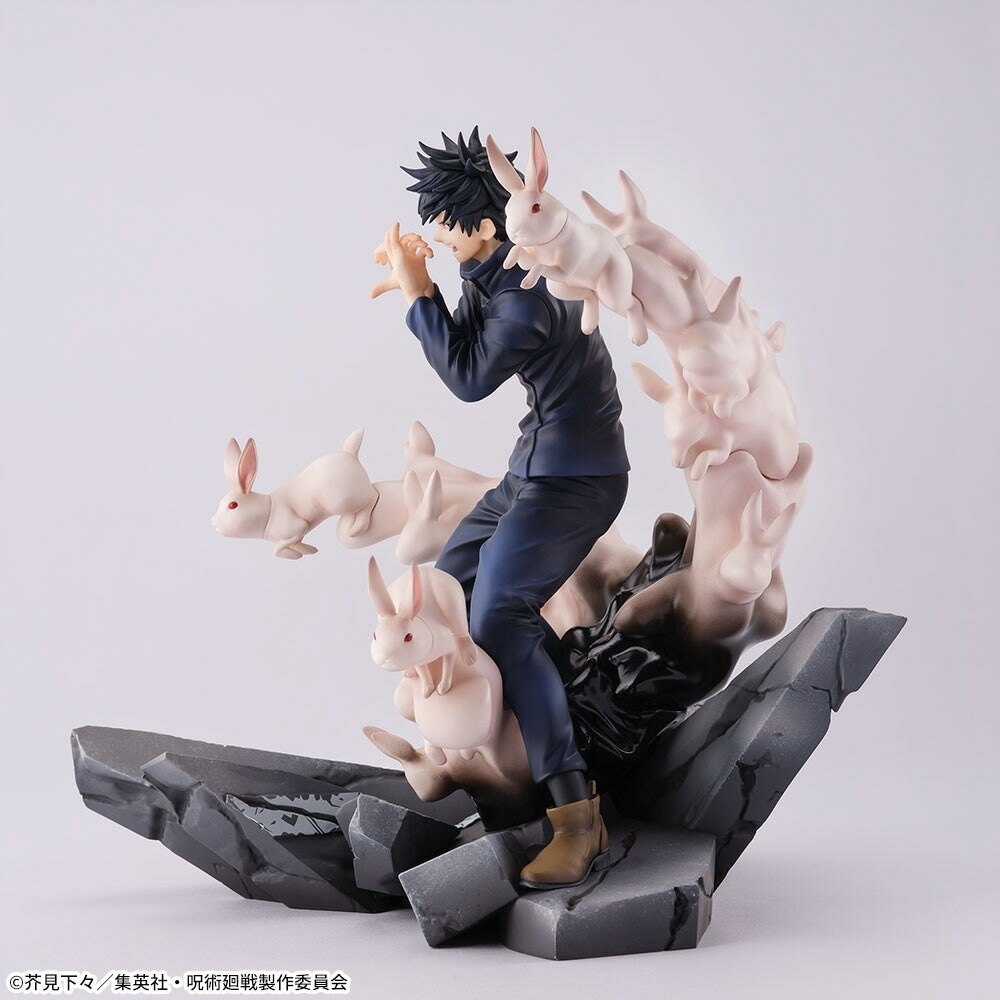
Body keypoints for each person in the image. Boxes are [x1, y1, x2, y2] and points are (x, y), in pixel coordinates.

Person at [371, 127, 630, 889]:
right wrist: (428, 282)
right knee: (444, 586)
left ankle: (576, 815)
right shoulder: (497, 266)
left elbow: (468, 379)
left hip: (576, 478)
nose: (436, 237)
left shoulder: (527, 296)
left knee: (497, 617)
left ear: (485, 224)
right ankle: (510, 714)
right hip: (534, 466)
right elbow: (470, 336)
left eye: (445, 227)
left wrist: (418, 294)